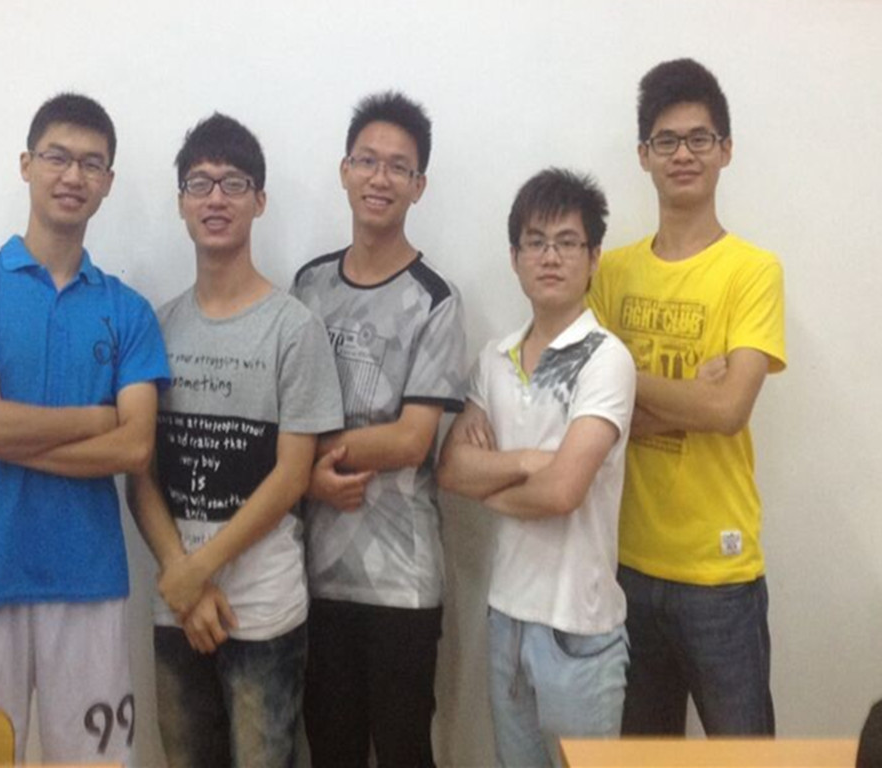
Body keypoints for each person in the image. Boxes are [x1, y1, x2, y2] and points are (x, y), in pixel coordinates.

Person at [0, 93, 169, 763]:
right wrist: (94, 418)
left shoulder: (128, 310)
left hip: (89, 584)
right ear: (27, 165)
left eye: (91, 163)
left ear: (108, 182)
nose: (73, 175)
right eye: (57, 156)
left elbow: (135, 446)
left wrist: (10, 429)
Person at [127, 113, 343, 768]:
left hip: (264, 611)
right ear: (181, 203)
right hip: (177, 605)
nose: (215, 197)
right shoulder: (156, 326)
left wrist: (198, 570)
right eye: (199, 183)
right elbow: (140, 472)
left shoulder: (294, 328)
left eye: (234, 183)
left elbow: (292, 476)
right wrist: (182, 576)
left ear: (259, 200)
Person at [588, 58, 786, 736]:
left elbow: (727, 411)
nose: (683, 154)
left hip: (719, 574)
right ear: (643, 155)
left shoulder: (752, 271)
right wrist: (686, 394)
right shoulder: (610, 272)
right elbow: (583, 410)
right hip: (624, 566)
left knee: (745, 754)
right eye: (666, 140)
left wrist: (616, 373)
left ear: (725, 150)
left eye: (699, 138)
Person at [291, 91, 466, 767]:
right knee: (330, 752)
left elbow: (410, 440)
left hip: (402, 580)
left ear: (419, 185)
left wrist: (307, 458)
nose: (380, 177)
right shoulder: (309, 286)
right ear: (345, 171)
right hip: (314, 575)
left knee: (402, 752)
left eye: (398, 166)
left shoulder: (435, 299)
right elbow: (284, 414)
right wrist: (304, 474)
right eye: (367, 160)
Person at [438, 169, 635, 767]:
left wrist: (490, 482)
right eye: (536, 242)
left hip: (580, 630)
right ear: (515, 257)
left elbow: (562, 493)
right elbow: (451, 470)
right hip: (506, 619)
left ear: (594, 257)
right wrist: (526, 461)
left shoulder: (606, 359)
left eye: (568, 242)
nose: (550, 256)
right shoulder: (493, 360)